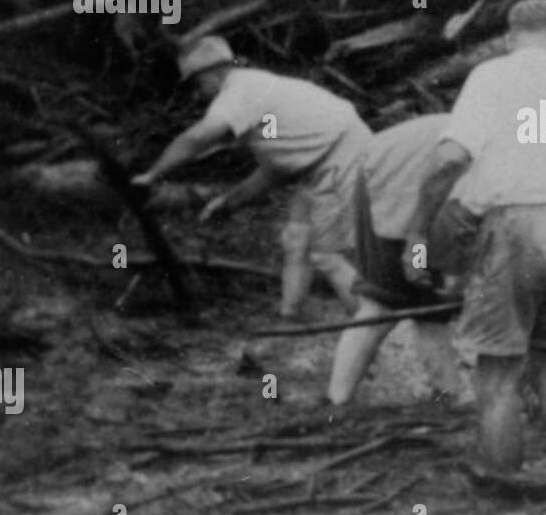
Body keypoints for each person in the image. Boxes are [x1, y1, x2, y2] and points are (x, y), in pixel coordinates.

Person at [402, 0, 546, 476]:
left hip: (517, 227)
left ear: (510, 38)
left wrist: (416, 234)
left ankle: (503, 487)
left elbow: (449, 160)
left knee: (497, 374)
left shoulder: (492, 77)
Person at [132, 36, 371, 319]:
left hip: (343, 158)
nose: (199, 93)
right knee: (297, 241)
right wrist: (231, 201)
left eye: (198, 83)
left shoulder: (240, 91)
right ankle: (290, 316)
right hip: (323, 162)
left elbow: (198, 137)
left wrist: (152, 174)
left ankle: (372, 326)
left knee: (327, 255)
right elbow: (276, 167)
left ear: (213, 72)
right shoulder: (258, 94)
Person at [326, 113, 480, 406]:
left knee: (431, 305)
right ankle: (336, 403)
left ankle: (448, 395)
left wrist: (457, 276)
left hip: (430, 187)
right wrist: (431, 260)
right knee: (382, 302)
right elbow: (446, 196)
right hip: (394, 176)